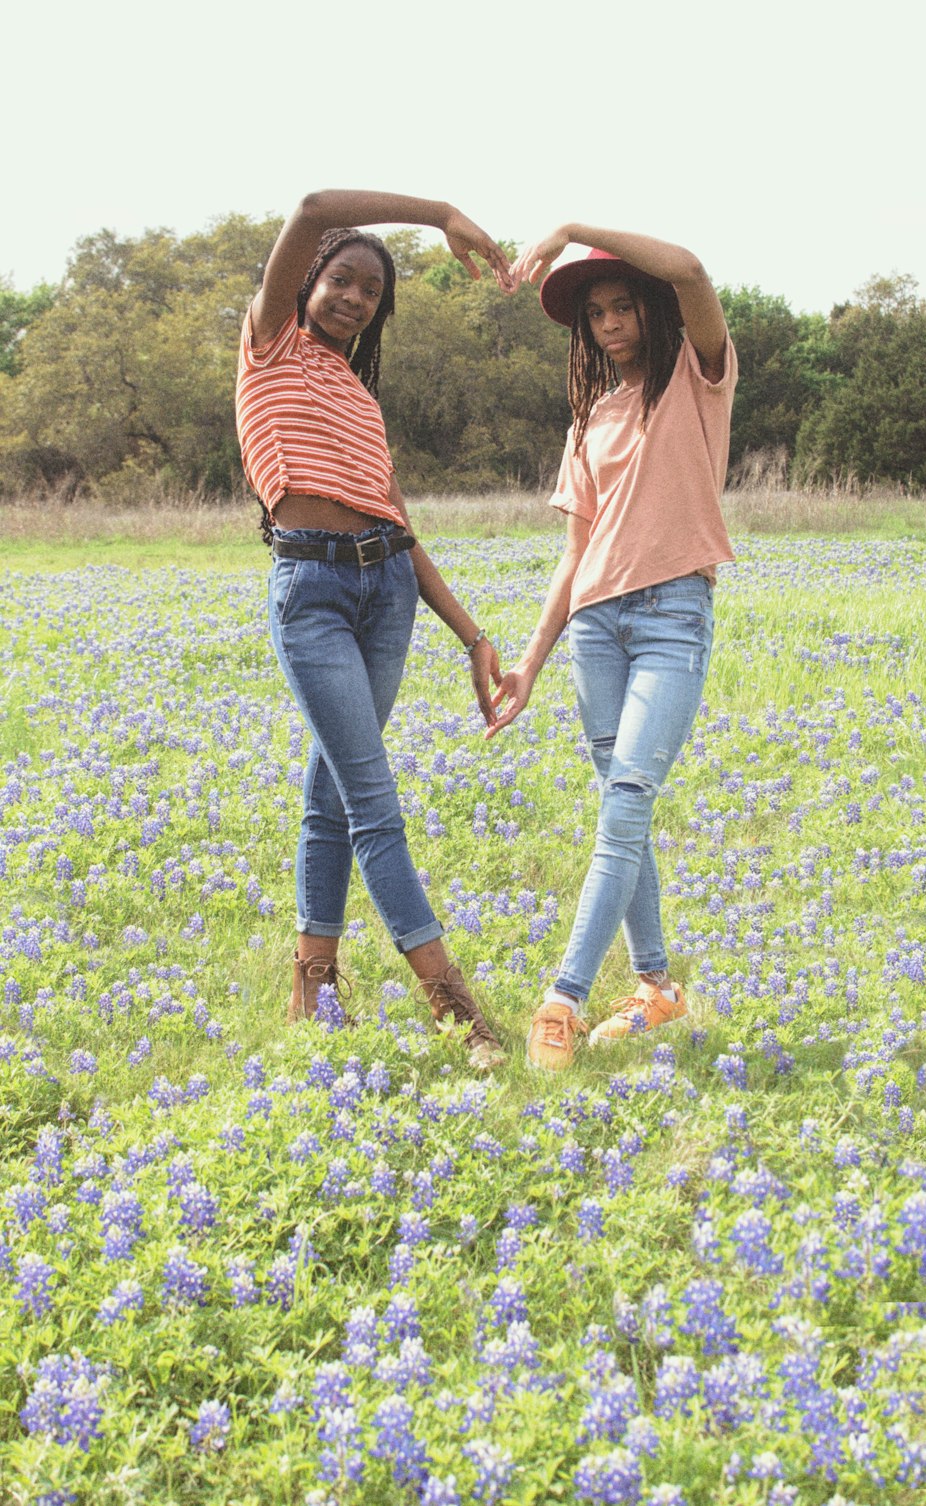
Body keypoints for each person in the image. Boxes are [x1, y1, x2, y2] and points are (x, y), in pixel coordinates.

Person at [236, 189, 510, 1069]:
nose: (354, 298)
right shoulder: (269, 343)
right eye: (342, 280)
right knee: (371, 799)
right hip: (312, 588)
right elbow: (315, 204)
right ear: (310, 280)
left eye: (370, 293)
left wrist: (471, 636)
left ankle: (312, 982)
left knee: (332, 794)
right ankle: (452, 1005)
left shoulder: (359, 395)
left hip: (386, 589)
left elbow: (399, 524)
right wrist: (439, 214)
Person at [489, 222, 737, 1069]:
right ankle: (658, 987)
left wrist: (572, 231)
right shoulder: (591, 417)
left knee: (627, 799)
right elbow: (574, 555)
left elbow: (696, 271)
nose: (607, 323)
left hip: (673, 615)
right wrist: (529, 660)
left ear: (649, 310)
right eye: (595, 313)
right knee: (620, 812)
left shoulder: (697, 382)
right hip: (595, 629)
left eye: (621, 305)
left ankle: (560, 999)